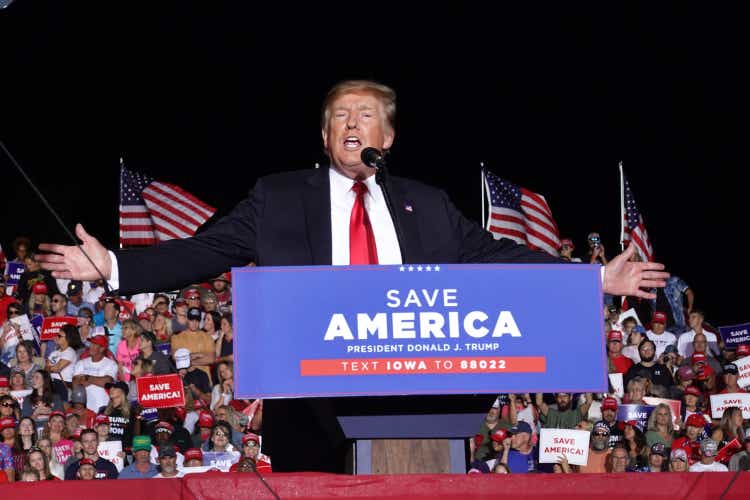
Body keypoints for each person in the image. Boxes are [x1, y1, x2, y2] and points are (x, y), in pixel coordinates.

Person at [37, 79, 669, 473]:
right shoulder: (281, 197)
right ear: (324, 134)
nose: (351, 125)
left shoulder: (426, 202)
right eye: (340, 116)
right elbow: (206, 249)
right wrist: (115, 266)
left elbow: (492, 254)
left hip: (419, 398)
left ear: (386, 135)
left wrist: (592, 279)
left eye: (365, 115)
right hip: (314, 400)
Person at [71, 333, 117, 412]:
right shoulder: (81, 362)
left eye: (94, 344)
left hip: (102, 407)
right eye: (91, 343)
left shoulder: (111, 364)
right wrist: (95, 380)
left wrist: (87, 378)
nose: (91, 346)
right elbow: (75, 383)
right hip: (83, 409)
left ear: (102, 348)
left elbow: (106, 382)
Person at [170, 308, 215, 381]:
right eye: (191, 320)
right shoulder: (176, 337)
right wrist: (199, 355)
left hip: (204, 380)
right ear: (187, 319)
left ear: (200, 321)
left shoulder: (208, 337)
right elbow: (176, 358)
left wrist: (187, 361)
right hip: (186, 379)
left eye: (197, 320)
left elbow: (211, 359)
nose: (194, 323)